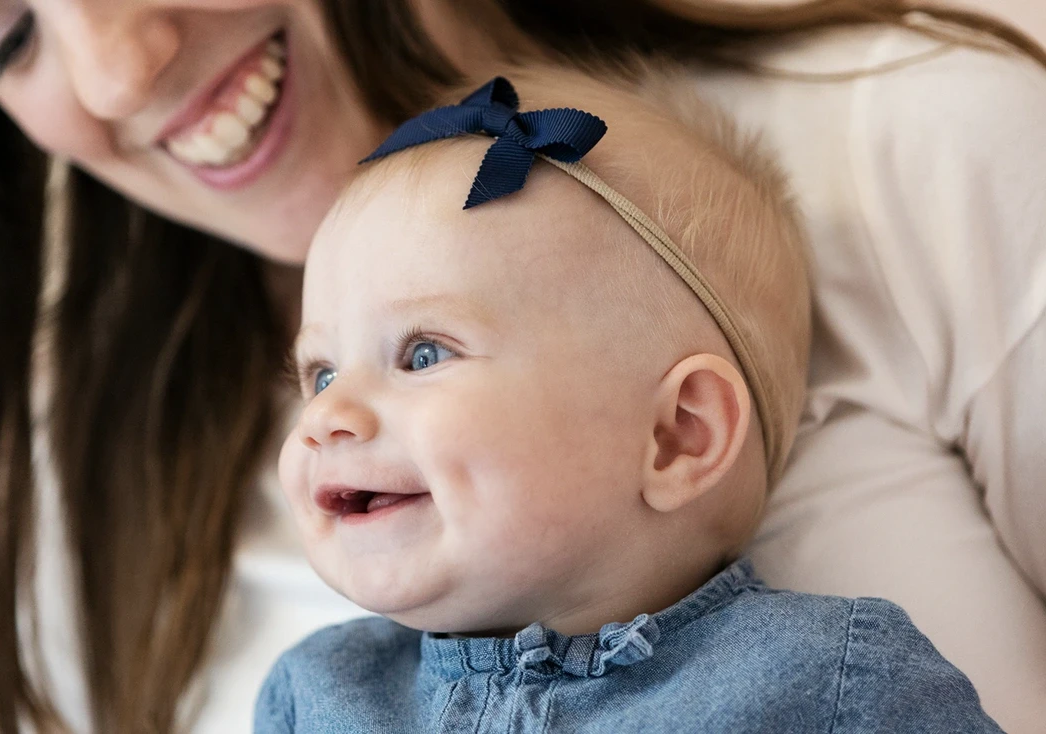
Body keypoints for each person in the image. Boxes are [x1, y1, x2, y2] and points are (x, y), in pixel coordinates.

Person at [0, 0, 1046, 732]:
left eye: (426, 351)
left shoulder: (918, 153)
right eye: (4, 36)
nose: (117, 65)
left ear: (678, 433)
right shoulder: (69, 505)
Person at [255, 71, 996, 734]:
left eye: (423, 354)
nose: (328, 416)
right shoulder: (316, 694)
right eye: (319, 373)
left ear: (677, 435)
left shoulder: (829, 685)